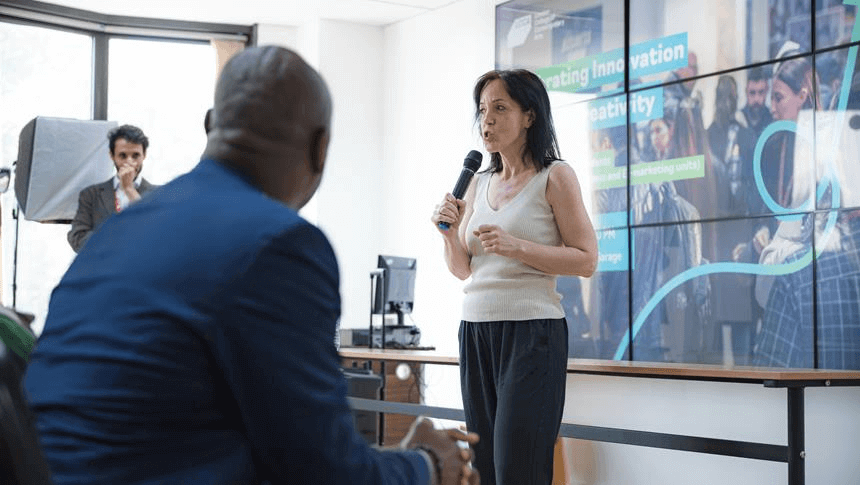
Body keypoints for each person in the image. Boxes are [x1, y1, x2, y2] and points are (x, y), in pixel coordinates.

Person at [25, 45, 478, 485]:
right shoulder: (279, 243)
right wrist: (427, 465)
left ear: (214, 126)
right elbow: (323, 471)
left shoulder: (120, 231)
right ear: (320, 149)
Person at [431, 69, 598, 485]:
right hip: (475, 331)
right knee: (484, 468)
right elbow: (464, 269)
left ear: (530, 116)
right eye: (483, 110)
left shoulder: (555, 176)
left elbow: (586, 259)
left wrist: (518, 246)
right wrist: (450, 237)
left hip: (532, 333)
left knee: (517, 469)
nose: (486, 120)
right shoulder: (477, 182)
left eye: (500, 108)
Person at [66, 124, 157, 252]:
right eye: (122, 156)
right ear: (112, 155)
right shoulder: (91, 195)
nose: (129, 162)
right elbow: (77, 237)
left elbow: (159, 235)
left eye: (135, 156)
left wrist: (129, 189)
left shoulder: (159, 194)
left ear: (144, 155)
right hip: (103, 268)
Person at [740, 66, 773, 140]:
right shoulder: (737, 122)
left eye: (761, 92)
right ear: (746, 92)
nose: (756, 99)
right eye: (752, 93)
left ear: (767, 91)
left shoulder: (773, 123)